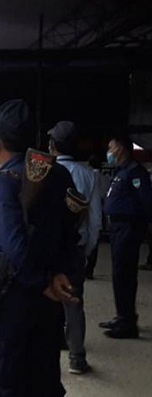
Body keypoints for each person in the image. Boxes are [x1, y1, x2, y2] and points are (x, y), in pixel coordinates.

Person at [0, 99, 79, 396]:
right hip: (46, 314)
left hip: (9, 312)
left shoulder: (4, 183)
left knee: (4, 384)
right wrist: (60, 271)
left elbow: (13, 247)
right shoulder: (59, 175)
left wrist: (42, 281)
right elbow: (71, 232)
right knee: (43, 383)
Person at [47, 121, 101, 374]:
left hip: (49, 249)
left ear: (53, 145)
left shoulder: (43, 171)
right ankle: (77, 359)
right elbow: (95, 220)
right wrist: (86, 248)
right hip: (75, 249)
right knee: (74, 301)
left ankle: (47, 350)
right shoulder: (88, 175)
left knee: (47, 298)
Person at [99, 135, 152, 339]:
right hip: (117, 228)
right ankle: (122, 316)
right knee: (118, 274)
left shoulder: (134, 172)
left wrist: (142, 228)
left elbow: (146, 202)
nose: (109, 151)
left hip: (128, 228)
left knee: (125, 275)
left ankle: (128, 323)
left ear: (120, 149)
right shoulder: (121, 171)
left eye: (111, 147)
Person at [85, 154, 110, 279]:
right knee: (96, 234)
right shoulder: (105, 178)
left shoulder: (87, 176)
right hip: (101, 207)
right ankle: (90, 268)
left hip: (87, 209)